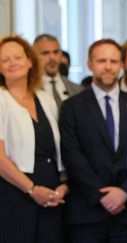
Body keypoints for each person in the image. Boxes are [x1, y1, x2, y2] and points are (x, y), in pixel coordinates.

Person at [59, 39, 127, 243]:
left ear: (121, 65)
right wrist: (101, 195)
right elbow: (71, 154)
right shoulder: (72, 107)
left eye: (114, 61)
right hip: (87, 213)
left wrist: (125, 191)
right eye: (101, 60)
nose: (108, 66)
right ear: (90, 64)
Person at [0, 35, 67, 243]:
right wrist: (31, 189)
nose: (13, 63)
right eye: (5, 60)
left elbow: (59, 146)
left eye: (18, 57)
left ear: (30, 61)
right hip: (16, 193)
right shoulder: (1, 99)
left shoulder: (45, 98)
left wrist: (64, 183)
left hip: (53, 193)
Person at [33, 34, 82, 109]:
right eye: (45, 53)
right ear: (34, 56)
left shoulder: (78, 90)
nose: (52, 58)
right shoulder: (29, 89)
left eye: (56, 52)